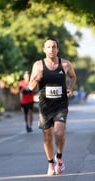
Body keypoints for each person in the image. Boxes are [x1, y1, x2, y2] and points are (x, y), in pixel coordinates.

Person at [29, 38, 76, 175]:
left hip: (61, 104)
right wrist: (37, 78)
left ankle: (59, 158)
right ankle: (50, 163)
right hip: (45, 106)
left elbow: (73, 77)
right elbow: (31, 88)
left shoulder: (66, 64)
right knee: (47, 135)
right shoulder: (38, 65)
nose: (51, 49)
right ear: (44, 49)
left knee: (59, 132)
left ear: (57, 49)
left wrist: (70, 88)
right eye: (48, 47)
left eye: (53, 47)